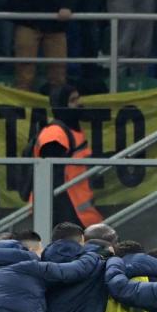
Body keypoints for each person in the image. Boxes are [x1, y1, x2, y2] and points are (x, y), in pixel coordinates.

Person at [28, 84, 103, 229]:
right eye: (73, 100)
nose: (79, 103)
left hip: (76, 210)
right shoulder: (55, 134)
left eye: (78, 98)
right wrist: (62, 217)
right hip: (64, 211)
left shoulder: (71, 131)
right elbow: (52, 179)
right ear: (62, 105)